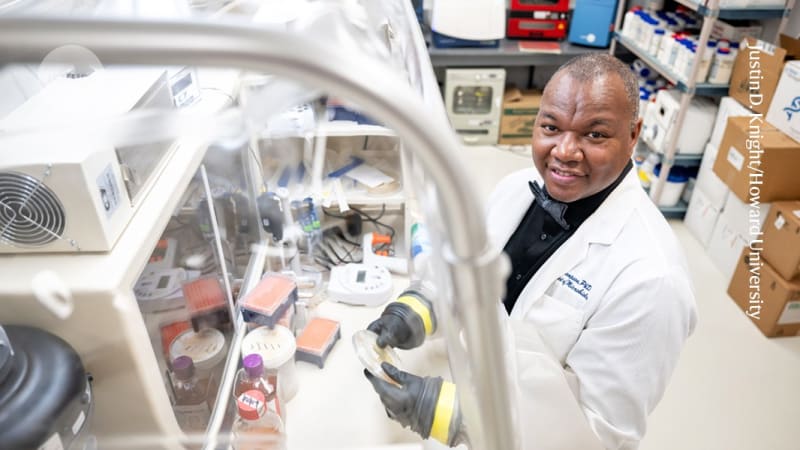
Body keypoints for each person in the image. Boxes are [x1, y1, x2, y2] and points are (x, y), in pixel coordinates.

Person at [364, 53, 698, 449]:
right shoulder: (515, 187)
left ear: (633, 134)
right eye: (551, 127)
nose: (565, 151)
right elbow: (468, 275)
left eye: (595, 134)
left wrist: (453, 414)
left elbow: (600, 437)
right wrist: (418, 307)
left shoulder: (652, 280)